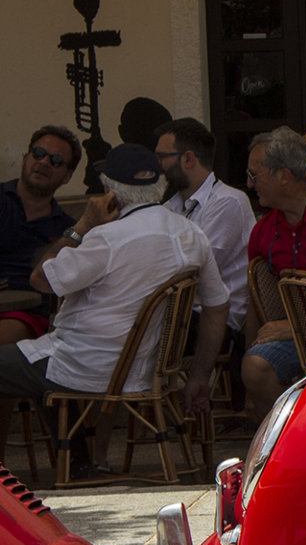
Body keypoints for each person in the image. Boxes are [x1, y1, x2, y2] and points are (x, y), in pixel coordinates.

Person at [0, 143, 226, 475]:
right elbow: (217, 308)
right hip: (145, 369)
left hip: (85, 365)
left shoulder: (107, 238)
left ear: (109, 190)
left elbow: (40, 279)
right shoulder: (192, 234)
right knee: (35, 361)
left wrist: (82, 225)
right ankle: (79, 463)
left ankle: (70, 463)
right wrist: (199, 376)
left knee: (35, 362)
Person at [243, 126, 306, 417]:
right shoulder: (263, 230)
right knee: (254, 368)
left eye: (254, 174)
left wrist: (295, 327)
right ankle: (299, 428)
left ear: (284, 177)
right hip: (297, 327)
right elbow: (254, 301)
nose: (250, 183)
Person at [157, 117, 251, 379]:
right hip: (179, 315)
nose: (158, 167)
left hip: (215, 322)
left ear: (188, 159)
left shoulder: (229, 201)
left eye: (162, 157)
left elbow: (192, 269)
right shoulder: (170, 206)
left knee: (126, 330)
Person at [0, 126, 82, 347]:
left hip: (26, 314)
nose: (44, 162)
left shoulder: (67, 228)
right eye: (38, 154)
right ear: (25, 159)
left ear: (67, 176)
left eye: (56, 160)